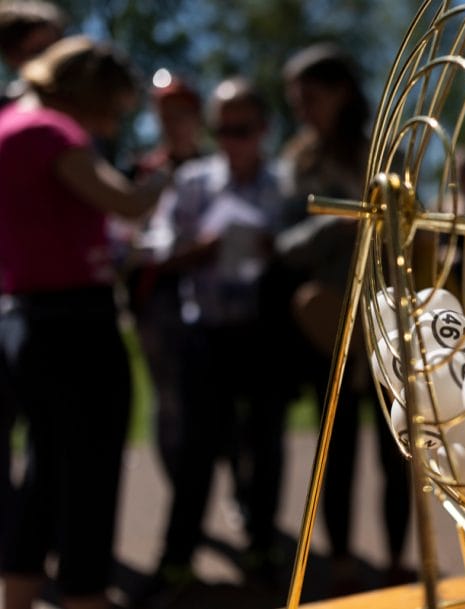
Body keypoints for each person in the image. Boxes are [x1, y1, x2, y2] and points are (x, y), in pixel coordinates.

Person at [0, 35, 158, 609]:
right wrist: (160, 178)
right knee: (89, 480)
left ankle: (16, 599)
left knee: (44, 474)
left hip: (25, 320)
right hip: (76, 325)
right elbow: (127, 204)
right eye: (115, 107)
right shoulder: (52, 132)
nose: (114, 121)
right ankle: (86, 596)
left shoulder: (6, 124)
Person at [277, 43, 414, 591]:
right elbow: (284, 243)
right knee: (335, 445)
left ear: (341, 94)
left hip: (386, 322)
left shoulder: (385, 154)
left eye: (310, 98)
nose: (303, 110)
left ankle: (400, 560)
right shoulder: (298, 162)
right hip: (328, 324)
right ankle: (340, 563)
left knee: (396, 445)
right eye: (295, 102)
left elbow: (414, 225)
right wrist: (335, 226)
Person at [149, 76, 288, 595]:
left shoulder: (283, 186)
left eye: (243, 129)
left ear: (264, 129)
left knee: (265, 445)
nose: (231, 140)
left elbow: (299, 252)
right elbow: (156, 251)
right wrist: (198, 250)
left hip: (261, 334)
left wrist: (277, 250)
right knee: (196, 449)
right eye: (223, 129)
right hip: (204, 335)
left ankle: (263, 547)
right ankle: (176, 558)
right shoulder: (192, 182)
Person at [0, 0, 64, 563]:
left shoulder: (57, 119)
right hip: (24, 303)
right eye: (41, 47)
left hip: (34, 302)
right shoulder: (30, 123)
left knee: (48, 448)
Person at [128, 71, 206, 483]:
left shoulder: (215, 168)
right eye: (164, 113)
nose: (172, 122)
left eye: (180, 112)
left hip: (212, 293)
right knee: (169, 397)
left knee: (211, 396)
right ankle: (179, 486)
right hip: (158, 296)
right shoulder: (142, 171)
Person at [0, 0, 65, 103]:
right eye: (39, 51)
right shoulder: (6, 106)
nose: (52, 57)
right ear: (12, 55)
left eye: (57, 48)